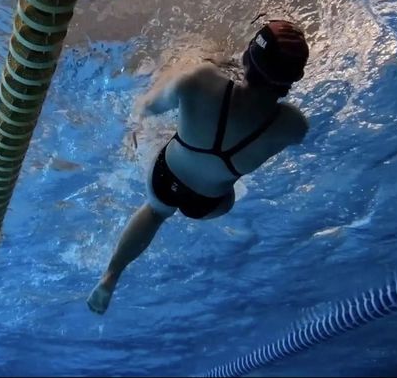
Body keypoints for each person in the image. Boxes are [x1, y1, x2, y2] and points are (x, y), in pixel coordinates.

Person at [87, 20, 311, 315]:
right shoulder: (293, 126)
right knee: (228, 186)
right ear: (294, 79)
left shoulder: (202, 80)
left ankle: (111, 275)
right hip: (210, 204)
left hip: (166, 176)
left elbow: (149, 106)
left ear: (246, 57)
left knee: (155, 212)